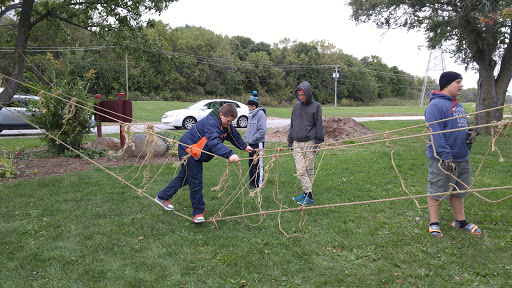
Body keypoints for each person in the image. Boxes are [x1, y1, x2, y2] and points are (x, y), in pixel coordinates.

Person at [155, 103, 253, 223]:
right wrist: (230, 154)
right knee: (195, 180)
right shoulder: (212, 123)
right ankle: (198, 213)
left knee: (186, 176)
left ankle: (162, 197)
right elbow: (214, 142)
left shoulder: (225, 123)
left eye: (231, 122)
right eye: (228, 121)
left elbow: (233, 135)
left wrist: (244, 147)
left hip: (196, 150)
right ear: (221, 114)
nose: (229, 123)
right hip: (189, 149)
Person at [425, 71, 481, 237]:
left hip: (462, 157)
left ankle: (460, 221)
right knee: (437, 191)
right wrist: (445, 156)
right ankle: (433, 223)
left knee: (459, 191)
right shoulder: (435, 107)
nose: (461, 85)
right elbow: (436, 134)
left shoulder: (458, 105)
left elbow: (463, 125)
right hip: (444, 159)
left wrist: (471, 133)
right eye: (458, 82)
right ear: (447, 84)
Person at [287, 81, 324, 206]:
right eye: (299, 95)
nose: (301, 97)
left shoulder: (316, 106)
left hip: (310, 141)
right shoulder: (296, 106)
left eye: (303, 94)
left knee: (308, 169)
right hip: (297, 142)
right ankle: (309, 195)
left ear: (308, 93)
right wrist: (290, 141)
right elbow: (292, 124)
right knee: (301, 169)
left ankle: (306, 194)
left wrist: (318, 143)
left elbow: (319, 125)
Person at [245, 91, 267, 190]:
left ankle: (259, 183)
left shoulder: (260, 114)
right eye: (248, 106)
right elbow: (249, 128)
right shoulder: (250, 114)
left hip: (258, 143)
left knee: (258, 164)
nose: (249, 108)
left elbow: (263, 130)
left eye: (250, 106)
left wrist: (253, 138)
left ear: (254, 105)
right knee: (251, 163)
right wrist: (247, 136)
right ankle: (252, 182)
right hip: (251, 144)